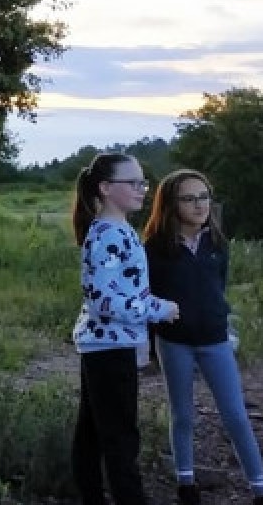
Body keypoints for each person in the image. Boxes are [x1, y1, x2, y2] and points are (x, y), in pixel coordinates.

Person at [144, 169, 263, 505]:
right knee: (183, 413)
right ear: (170, 204)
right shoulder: (154, 248)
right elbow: (148, 296)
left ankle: (259, 487)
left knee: (236, 415)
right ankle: (186, 483)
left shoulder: (217, 243)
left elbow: (217, 288)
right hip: (174, 342)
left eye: (204, 197)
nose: (199, 205)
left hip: (215, 341)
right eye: (188, 198)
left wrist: (220, 322)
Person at [72, 152, 180, 505]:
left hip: (106, 346)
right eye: (132, 183)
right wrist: (158, 309)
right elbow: (102, 300)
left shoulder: (118, 230)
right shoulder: (107, 235)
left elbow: (120, 290)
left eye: (142, 182)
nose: (142, 189)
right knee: (120, 439)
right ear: (105, 188)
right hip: (108, 348)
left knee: (93, 434)